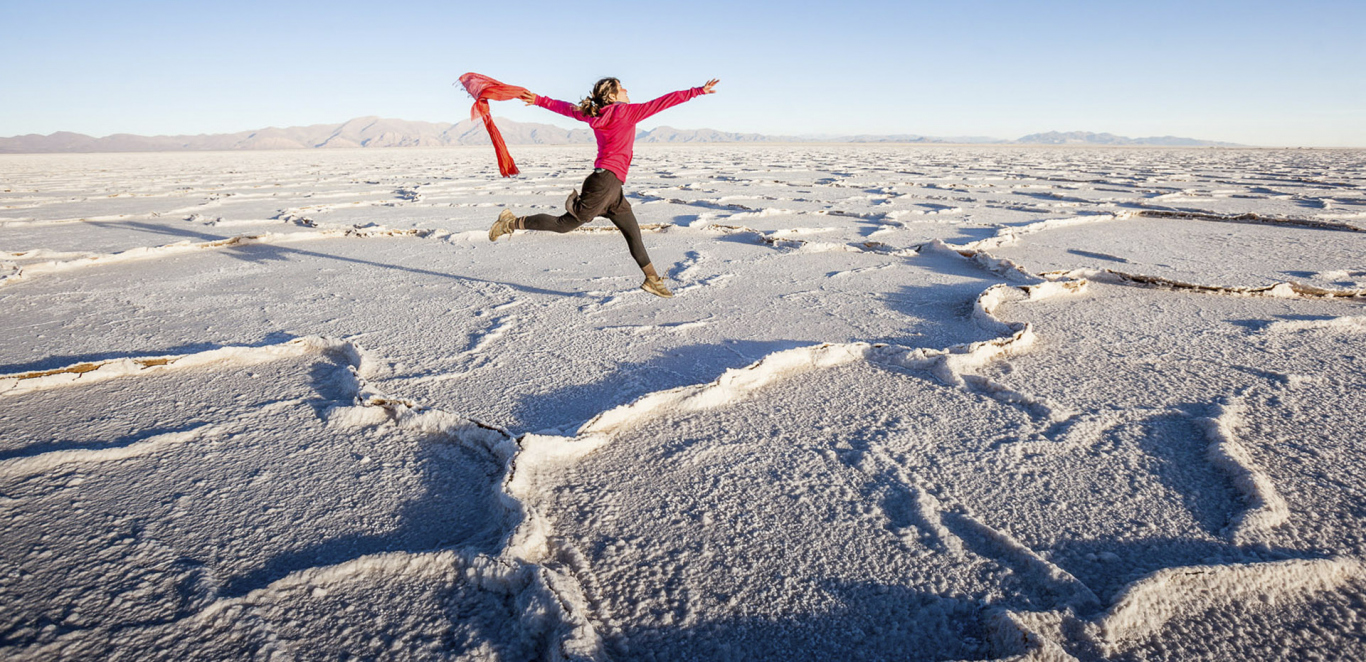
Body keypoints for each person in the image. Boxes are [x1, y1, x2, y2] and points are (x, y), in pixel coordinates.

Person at [488, 77, 720, 298]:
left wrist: (539, 100)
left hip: (611, 184)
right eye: (622, 88)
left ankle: (652, 279)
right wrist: (697, 91)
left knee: (632, 232)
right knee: (564, 225)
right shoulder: (626, 112)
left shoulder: (595, 113)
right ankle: (510, 222)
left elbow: (567, 109)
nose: (627, 91)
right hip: (605, 183)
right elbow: (663, 102)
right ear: (611, 96)